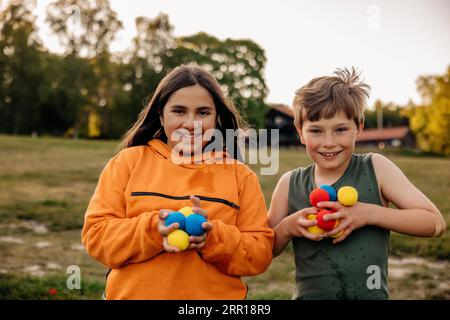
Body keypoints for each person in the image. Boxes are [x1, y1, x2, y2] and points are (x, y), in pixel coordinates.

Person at [81, 64, 274, 300]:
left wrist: (212, 238)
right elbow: (96, 236)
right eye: (179, 111)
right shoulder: (127, 163)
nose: (191, 123)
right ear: (161, 116)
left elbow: (259, 252)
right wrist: (154, 229)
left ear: (216, 118)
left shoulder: (240, 176)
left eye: (203, 113)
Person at [268, 68, 446, 299]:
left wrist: (369, 214)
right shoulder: (289, 183)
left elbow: (435, 223)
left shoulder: (375, 167)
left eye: (340, 129)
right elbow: (266, 248)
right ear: (300, 132)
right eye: (316, 131)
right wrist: (287, 227)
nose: (329, 142)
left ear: (359, 127)